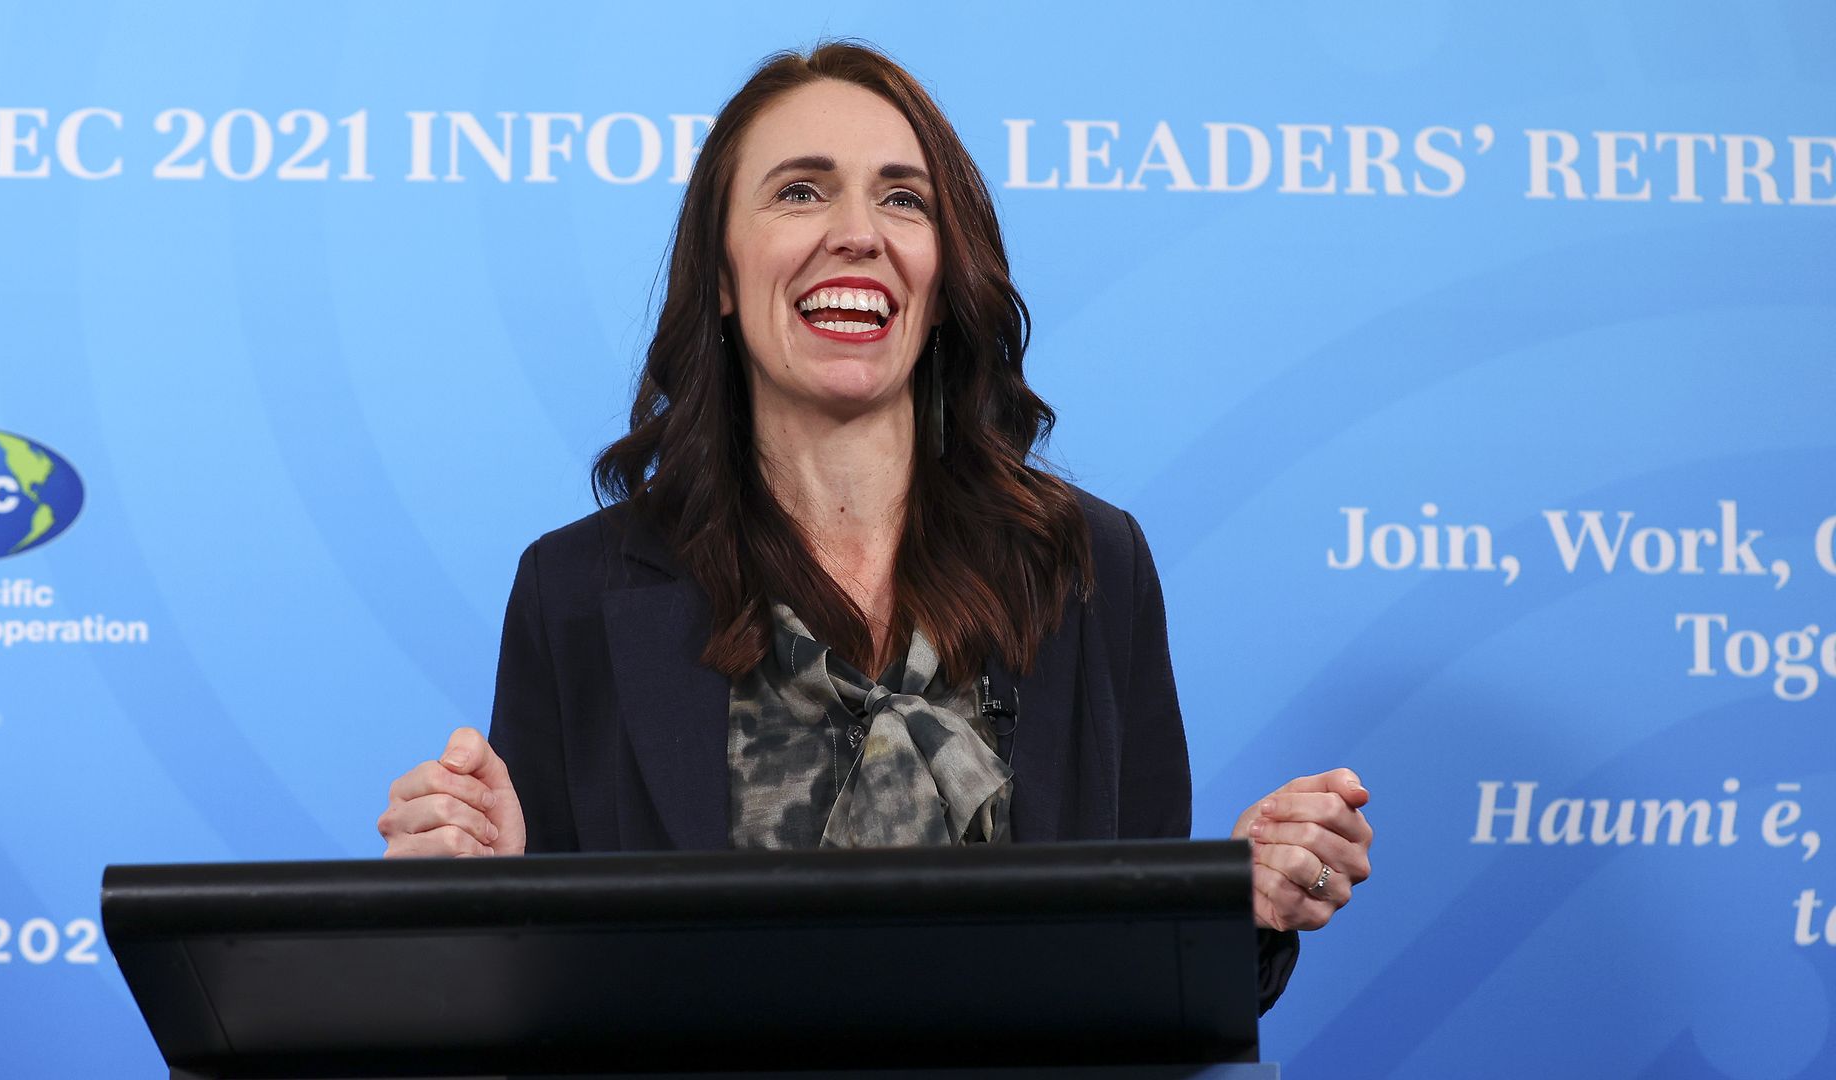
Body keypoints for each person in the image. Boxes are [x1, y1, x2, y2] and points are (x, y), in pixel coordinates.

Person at [377, 41, 1372, 1011]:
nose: (858, 232)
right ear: (720, 279)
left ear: (943, 281)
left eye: (903, 198)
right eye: (800, 191)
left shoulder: (1087, 564)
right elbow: (535, 1002)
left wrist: (1236, 910)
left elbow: (1148, 987)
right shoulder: (576, 593)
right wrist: (477, 897)